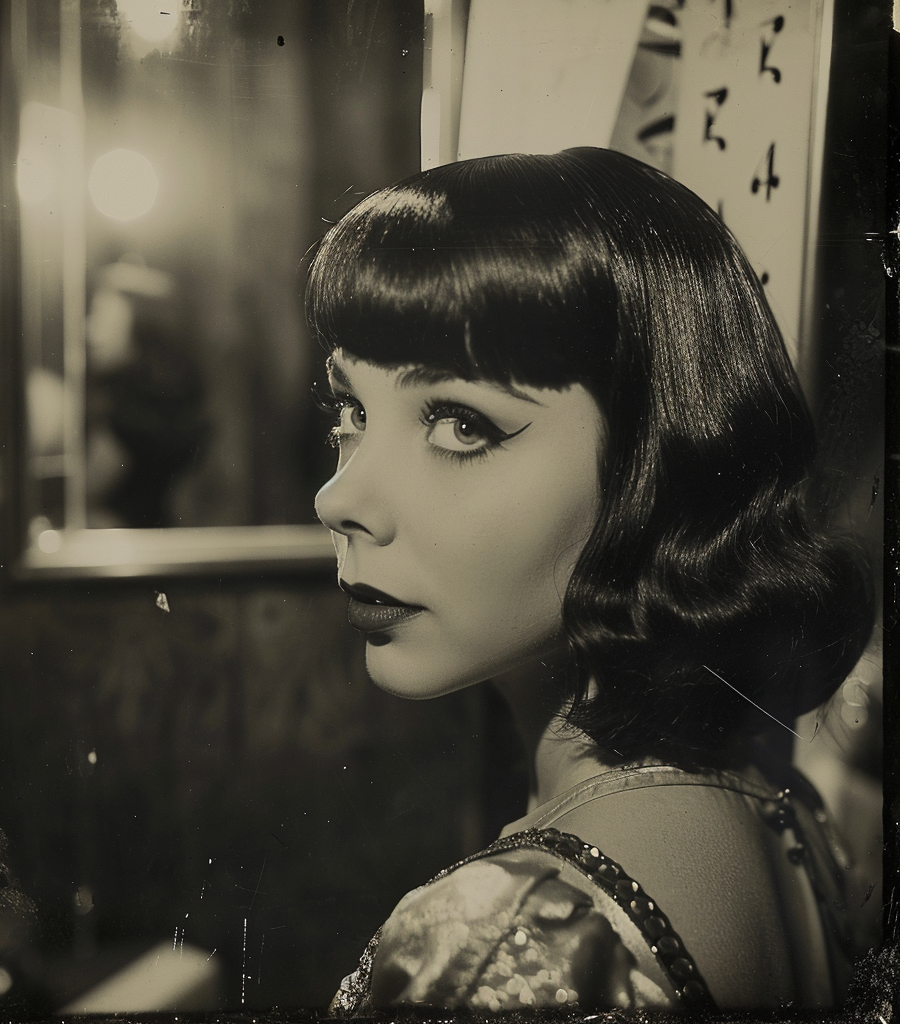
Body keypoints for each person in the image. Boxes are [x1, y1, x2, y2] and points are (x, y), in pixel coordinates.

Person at [306, 148, 874, 1013]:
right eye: (350, 412)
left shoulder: (507, 942)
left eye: (461, 424)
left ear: (655, 466)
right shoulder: (782, 813)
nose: (339, 497)